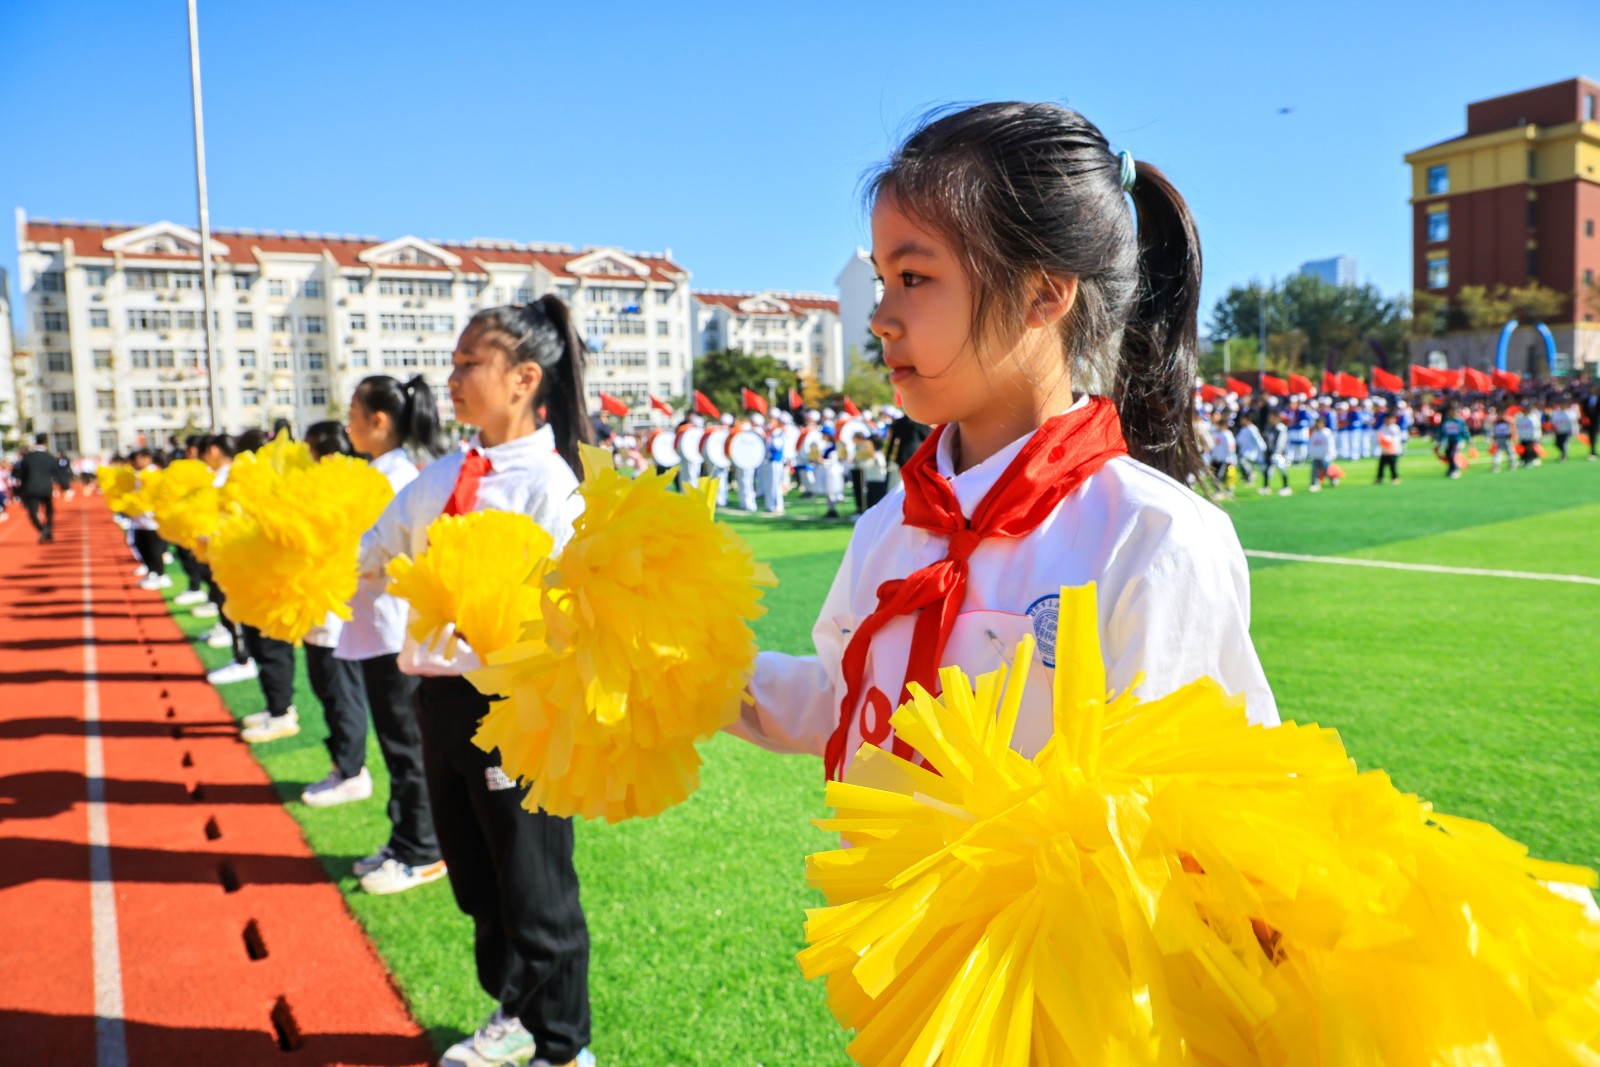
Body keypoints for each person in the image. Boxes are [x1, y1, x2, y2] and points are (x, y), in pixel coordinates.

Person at [729, 102, 1276, 795]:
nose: (880, 320)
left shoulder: (1154, 537)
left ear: (1043, 292)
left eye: (914, 278)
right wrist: (685, 675)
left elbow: (1189, 814)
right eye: (882, 282)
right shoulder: (890, 526)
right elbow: (850, 699)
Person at [360, 300, 594, 1067]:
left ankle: (565, 1047)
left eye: (470, 363)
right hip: (439, 701)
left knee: (534, 882)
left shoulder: (555, 485)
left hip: (516, 706)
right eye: (454, 363)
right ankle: (516, 1011)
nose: (453, 377)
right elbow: (375, 546)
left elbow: (571, 609)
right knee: (477, 880)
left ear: (525, 378)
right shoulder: (445, 474)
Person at [336, 374, 448, 896]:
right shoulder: (379, 472)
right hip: (376, 626)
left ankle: (423, 850)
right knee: (396, 742)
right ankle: (405, 837)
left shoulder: (396, 477)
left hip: (394, 628)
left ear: (378, 420)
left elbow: (394, 554)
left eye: (353, 413)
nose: (348, 424)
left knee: (407, 746)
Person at [16, 433, 59, 543]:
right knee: (49, 511)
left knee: (32, 512)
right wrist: (65, 486)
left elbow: (21, 474)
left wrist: (21, 489)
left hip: (31, 488)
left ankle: (43, 529)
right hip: (45, 488)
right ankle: (46, 530)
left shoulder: (28, 457)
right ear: (46, 442)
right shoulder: (49, 457)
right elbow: (57, 472)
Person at [1260, 410, 1291, 496]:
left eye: (1271, 418)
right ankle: (1266, 487)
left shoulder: (1281, 428)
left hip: (1280, 454)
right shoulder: (1270, 427)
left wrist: (1276, 452)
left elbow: (1281, 443)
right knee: (1267, 470)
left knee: (1281, 469)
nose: (1270, 420)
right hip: (1271, 452)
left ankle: (1286, 487)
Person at [1435, 404, 1469, 479]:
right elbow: (1443, 432)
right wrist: (1439, 442)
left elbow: (1464, 431)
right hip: (1449, 441)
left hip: (1457, 441)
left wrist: (1468, 439)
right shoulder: (1446, 421)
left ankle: (1455, 470)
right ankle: (1450, 469)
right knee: (1447, 454)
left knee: (1452, 455)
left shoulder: (1459, 421)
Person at [1376, 413, 1403, 484]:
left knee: (1393, 466)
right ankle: (1379, 478)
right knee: (1381, 466)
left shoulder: (1395, 428)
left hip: (1393, 451)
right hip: (1384, 451)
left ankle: (1395, 478)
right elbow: (1380, 437)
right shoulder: (1382, 427)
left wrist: (1387, 440)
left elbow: (1396, 439)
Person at [1308, 420, 1335, 492]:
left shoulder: (1327, 432)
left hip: (1325, 456)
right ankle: (1313, 484)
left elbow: (1330, 444)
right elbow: (1312, 444)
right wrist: (1311, 453)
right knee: (1314, 470)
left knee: (1326, 470)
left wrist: (1331, 454)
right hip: (1316, 455)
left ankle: (1333, 479)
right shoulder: (1314, 432)